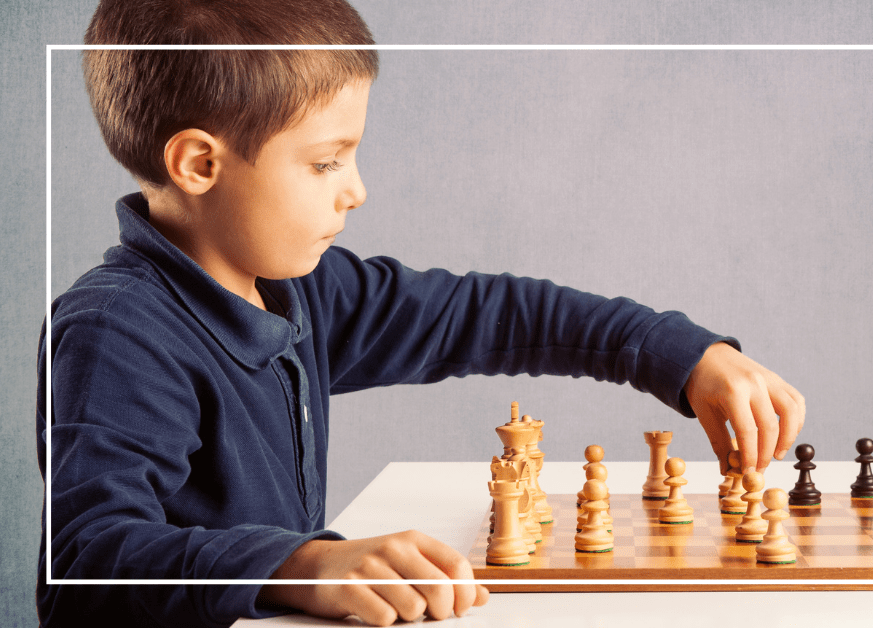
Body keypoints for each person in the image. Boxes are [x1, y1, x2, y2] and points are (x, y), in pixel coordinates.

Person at [38, 1, 805, 626]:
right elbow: (84, 566)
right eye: (325, 161)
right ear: (200, 163)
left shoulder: (299, 288)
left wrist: (677, 353)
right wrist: (297, 561)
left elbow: (490, 315)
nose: (355, 189)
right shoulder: (116, 332)